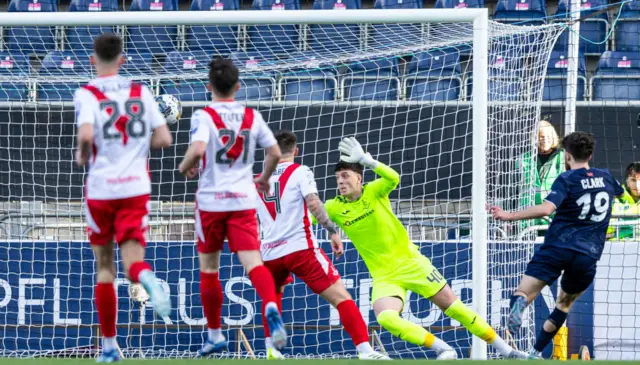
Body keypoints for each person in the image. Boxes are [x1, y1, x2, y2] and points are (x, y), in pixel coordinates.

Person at [320, 137, 528, 360]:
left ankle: (507, 350)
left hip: (412, 263)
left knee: (454, 307)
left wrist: (367, 161)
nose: (340, 182)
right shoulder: (334, 207)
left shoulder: (374, 191)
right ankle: (444, 349)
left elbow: (393, 177)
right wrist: (328, 229)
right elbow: (311, 215)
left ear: (359, 178)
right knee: (385, 318)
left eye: (345, 176)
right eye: (337, 178)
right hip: (384, 276)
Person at [74, 33, 173, 363]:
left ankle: (111, 346)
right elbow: (164, 138)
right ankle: (145, 276)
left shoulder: (87, 93)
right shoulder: (141, 92)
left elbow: (87, 135)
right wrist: (137, 144)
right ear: (123, 60)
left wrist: (82, 154)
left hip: (101, 188)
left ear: (93, 60)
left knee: (105, 268)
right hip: (134, 187)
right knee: (133, 260)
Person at [177, 58, 287, 355]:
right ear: (238, 86)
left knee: (210, 268)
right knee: (253, 262)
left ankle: (214, 334)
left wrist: (185, 165)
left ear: (208, 86)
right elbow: (275, 152)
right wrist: (263, 179)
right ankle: (270, 306)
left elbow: (198, 149)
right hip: (242, 200)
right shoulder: (252, 115)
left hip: (211, 201)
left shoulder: (205, 115)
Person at [255, 131, 390, 360]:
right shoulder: (300, 172)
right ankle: (365, 351)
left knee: (272, 298)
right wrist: (332, 231)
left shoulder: (257, 180)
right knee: (341, 297)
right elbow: (314, 203)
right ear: (296, 151)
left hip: (269, 253)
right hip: (300, 249)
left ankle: (271, 349)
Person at [491, 132, 624, 358]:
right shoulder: (607, 177)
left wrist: (509, 216)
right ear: (590, 154)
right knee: (563, 305)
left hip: (558, 247)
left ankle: (519, 307)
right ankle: (535, 351)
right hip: (588, 253)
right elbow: (619, 195)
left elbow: (545, 209)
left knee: (523, 292)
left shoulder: (566, 179)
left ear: (567, 155)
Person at [517, 120, 565, 228]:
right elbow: (514, 188)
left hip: (554, 213)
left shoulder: (563, 157)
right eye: (541, 137)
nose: (545, 140)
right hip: (529, 214)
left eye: (548, 136)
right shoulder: (524, 158)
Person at [607, 162, 640, 240]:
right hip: (617, 247)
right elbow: (606, 229)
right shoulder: (615, 199)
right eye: (633, 180)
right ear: (627, 181)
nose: (637, 185)